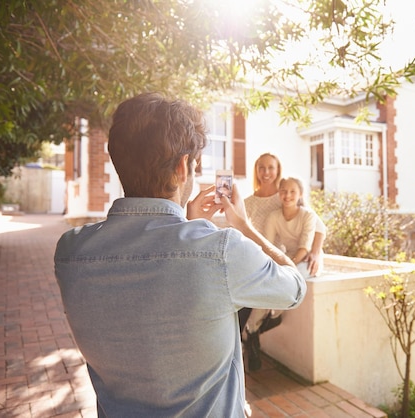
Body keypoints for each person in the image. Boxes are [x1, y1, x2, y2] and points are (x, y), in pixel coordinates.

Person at [54, 93, 306, 418]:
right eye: (196, 164)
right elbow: (295, 288)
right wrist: (243, 225)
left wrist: (188, 226)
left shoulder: (71, 252)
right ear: (183, 165)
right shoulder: (221, 251)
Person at [240, 154, 326, 371]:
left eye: (271, 167)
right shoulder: (250, 203)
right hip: (262, 259)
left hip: (286, 259)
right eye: (261, 167)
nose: (266, 172)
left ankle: (253, 332)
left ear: (278, 170)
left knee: (272, 289)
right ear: (256, 170)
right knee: (244, 298)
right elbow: (242, 231)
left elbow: (318, 227)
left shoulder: (288, 194)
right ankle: (248, 337)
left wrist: (315, 252)